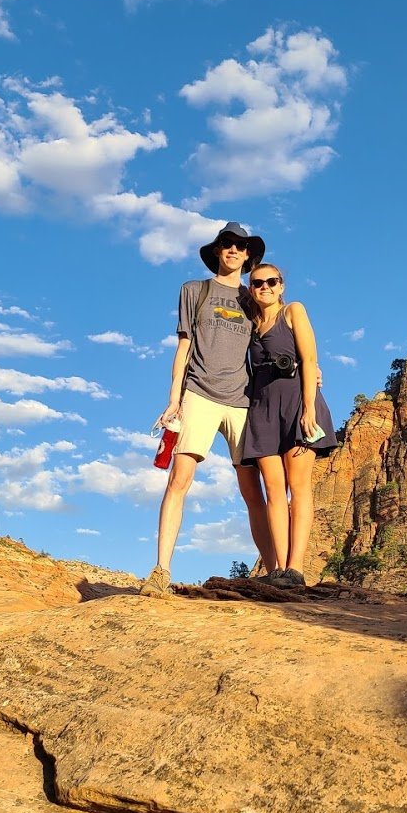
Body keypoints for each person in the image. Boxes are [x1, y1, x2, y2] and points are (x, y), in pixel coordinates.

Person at [139, 222, 277, 597]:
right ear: (217, 251)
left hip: (242, 401)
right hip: (198, 394)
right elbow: (183, 348)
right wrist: (173, 400)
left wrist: (311, 371)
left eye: (239, 245)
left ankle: (274, 571)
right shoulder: (194, 291)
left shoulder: (254, 299)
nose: (232, 249)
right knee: (179, 480)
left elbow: (272, 341)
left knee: (253, 490)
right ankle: (160, 571)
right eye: (225, 244)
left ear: (248, 255)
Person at [241, 263, 338, 587]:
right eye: (257, 283)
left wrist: (309, 408)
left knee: (298, 488)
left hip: (298, 404)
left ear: (281, 285)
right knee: (273, 491)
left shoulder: (293, 311)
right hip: (262, 410)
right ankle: (278, 570)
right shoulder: (251, 324)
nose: (264, 287)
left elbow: (310, 359)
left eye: (271, 282)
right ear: (251, 288)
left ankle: (295, 568)